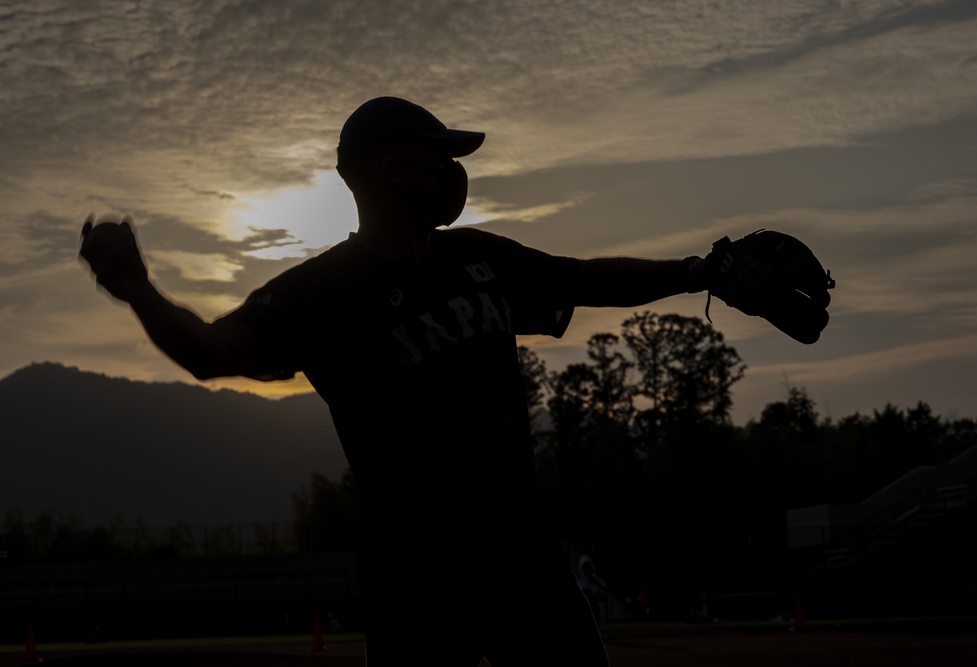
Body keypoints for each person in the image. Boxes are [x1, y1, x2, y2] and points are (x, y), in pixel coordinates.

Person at [79, 96, 709, 666]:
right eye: (438, 157)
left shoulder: (474, 256)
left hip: (522, 553)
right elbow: (211, 351)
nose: (453, 172)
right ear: (393, 169)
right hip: (416, 573)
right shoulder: (323, 292)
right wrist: (138, 291)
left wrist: (700, 270)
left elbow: (583, 278)